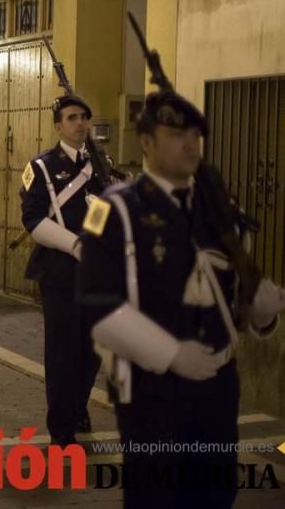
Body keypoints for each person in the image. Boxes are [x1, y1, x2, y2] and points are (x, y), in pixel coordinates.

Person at [78, 91, 284, 508]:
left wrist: (263, 315)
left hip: (217, 386)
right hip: (150, 388)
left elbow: (236, 307)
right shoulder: (113, 210)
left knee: (214, 495)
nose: (190, 144)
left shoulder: (222, 213)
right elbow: (98, 304)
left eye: (194, 134)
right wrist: (171, 353)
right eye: (175, 134)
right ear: (147, 143)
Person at [19, 95, 107, 445]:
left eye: (84, 117)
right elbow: (33, 220)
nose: (80, 123)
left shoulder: (100, 165)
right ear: (59, 126)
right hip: (59, 273)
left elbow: (103, 209)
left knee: (92, 351)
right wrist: (75, 245)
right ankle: (61, 430)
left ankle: (77, 405)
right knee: (62, 353)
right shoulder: (40, 168)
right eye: (72, 117)